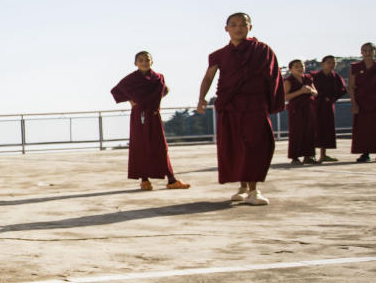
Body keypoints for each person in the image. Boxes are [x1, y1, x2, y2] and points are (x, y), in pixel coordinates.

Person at [196, 12, 284, 205]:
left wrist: (273, 100)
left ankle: (254, 190)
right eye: (234, 25)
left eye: (243, 24)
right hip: (230, 104)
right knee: (235, 146)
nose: (238, 28)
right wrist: (202, 97)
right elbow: (209, 77)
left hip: (254, 103)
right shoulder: (219, 55)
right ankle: (243, 187)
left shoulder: (262, 50)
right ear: (226, 29)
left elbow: (273, 76)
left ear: (250, 27)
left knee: (256, 145)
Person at [110, 51, 190, 190]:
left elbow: (165, 90)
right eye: (140, 60)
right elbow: (116, 90)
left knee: (161, 147)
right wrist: (131, 100)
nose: (144, 62)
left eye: (147, 60)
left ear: (152, 62)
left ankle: (171, 180)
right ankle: (144, 180)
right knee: (140, 146)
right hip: (139, 115)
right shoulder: (131, 79)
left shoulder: (159, 77)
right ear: (135, 63)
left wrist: (155, 100)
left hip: (153, 114)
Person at [310, 55, 348, 162]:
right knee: (314, 129)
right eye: (329, 62)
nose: (332, 65)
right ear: (323, 64)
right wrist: (320, 96)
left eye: (333, 63)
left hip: (328, 106)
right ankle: (309, 155)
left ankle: (323, 154)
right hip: (315, 106)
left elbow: (343, 90)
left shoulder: (336, 77)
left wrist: (332, 98)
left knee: (326, 129)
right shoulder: (315, 76)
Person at [283, 59, 318, 165]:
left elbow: (316, 93)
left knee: (309, 131)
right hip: (296, 109)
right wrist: (300, 91)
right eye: (296, 66)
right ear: (291, 69)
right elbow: (284, 97)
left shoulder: (308, 78)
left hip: (309, 108)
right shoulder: (288, 81)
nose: (300, 68)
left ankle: (308, 156)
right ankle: (295, 157)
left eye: (301, 66)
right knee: (297, 132)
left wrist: (311, 91)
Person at [351, 42, 376, 162]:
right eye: (364, 51)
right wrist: (354, 103)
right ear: (361, 52)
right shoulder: (355, 66)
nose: (367, 53)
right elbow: (351, 86)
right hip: (362, 102)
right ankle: (365, 153)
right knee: (363, 129)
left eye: (370, 50)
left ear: (374, 52)